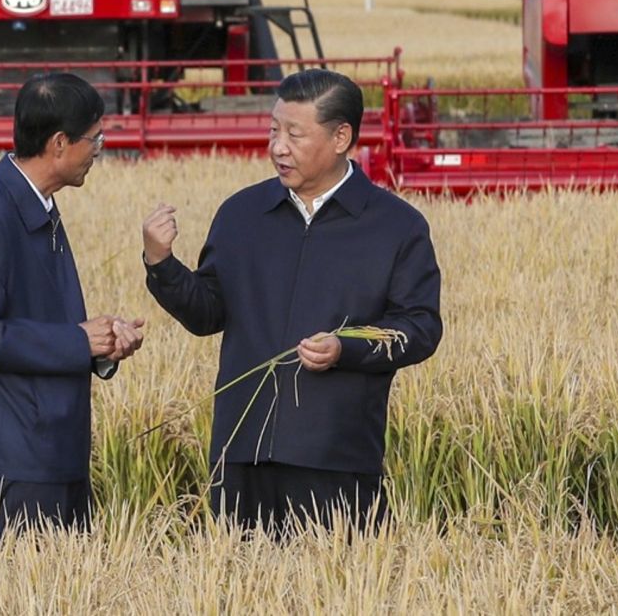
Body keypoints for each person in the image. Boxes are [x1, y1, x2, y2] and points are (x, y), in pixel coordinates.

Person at [141, 68, 441, 536]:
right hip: (242, 452)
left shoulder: (395, 226)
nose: (277, 147)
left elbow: (419, 328)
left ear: (341, 137)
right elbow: (207, 314)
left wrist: (346, 348)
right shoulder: (242, 214)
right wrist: (162, 264)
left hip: (335, 455)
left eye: (294, 134)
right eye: (273, 130)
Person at [0, 72, 144, 543]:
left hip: (53, 447)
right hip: (20, 457)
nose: (99, 150)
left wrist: (101, 346)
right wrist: (79, 340)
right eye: (94, 139)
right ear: (59, 143)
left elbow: (39, 323)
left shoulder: (37, 206)